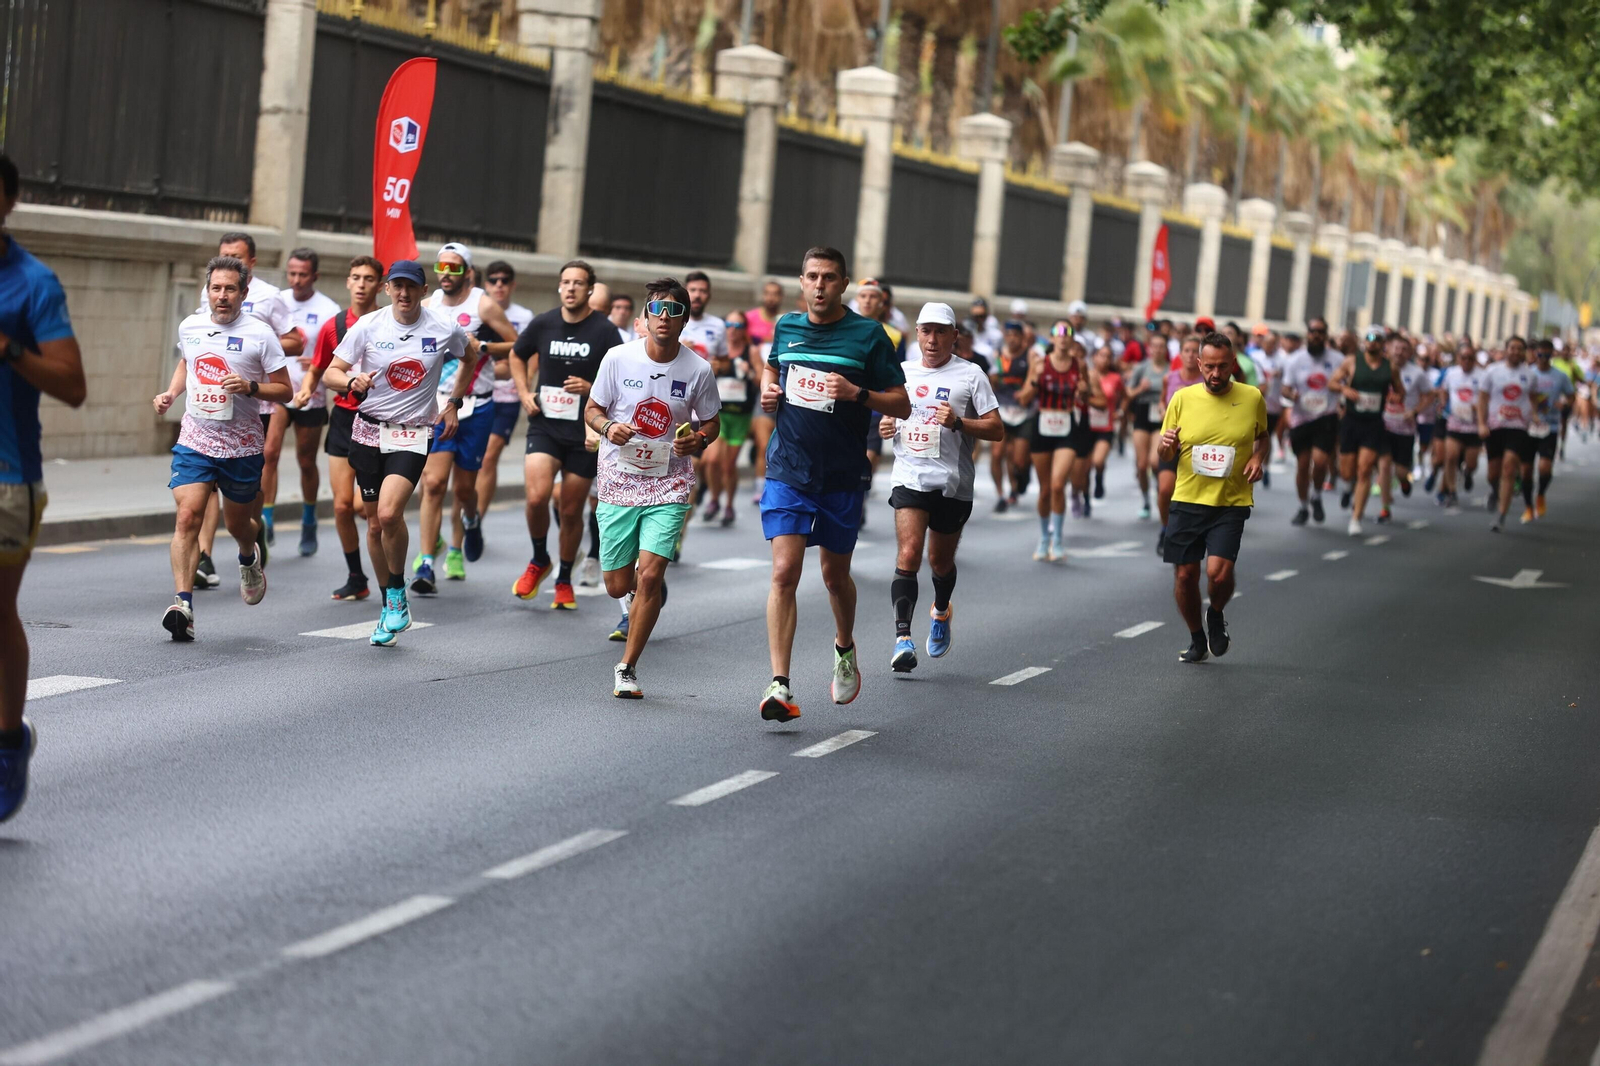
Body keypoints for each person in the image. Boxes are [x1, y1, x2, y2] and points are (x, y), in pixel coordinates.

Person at [756, 246, 909, 721]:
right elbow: (772, 365)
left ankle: (845, 646)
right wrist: (768, 388)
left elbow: (902, 405)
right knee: (784, 572)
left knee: (834, 576)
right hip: (788, 468)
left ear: (844, 285)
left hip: (841, 474)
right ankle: (780, 684)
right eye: (811, 277)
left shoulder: (870, 336)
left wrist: (857, 393)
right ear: (801, 282)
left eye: (829, 278)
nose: (819, 285)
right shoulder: (786, 327)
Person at [0, 151, 86, 822]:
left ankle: (7, 742)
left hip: (7, 478)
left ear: (9, 202)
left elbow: (73, 385)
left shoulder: (33, 283)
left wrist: (9, 351)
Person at [324, 260, 473, 645]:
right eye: (397, 286)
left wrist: (454, 401)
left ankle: (394, 592)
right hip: (368, 431)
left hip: (413, 434)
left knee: (390, 513)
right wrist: (351, 380)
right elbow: (330, 373)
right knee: (374, 524)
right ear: (387, 289)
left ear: (424, 291)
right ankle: (392, 601)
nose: (404, 293)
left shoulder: (443, 327)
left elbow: (470, 356)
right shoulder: (369, 325)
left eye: (412, 286)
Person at [585, 278, 721, 697]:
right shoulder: (617, 359)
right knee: (615, 584)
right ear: (644, 318)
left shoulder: (698, 369)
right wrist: (609, 427)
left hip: (669, 482)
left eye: (674, 312)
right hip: (618, 479)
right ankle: (641, 586)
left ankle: (627, 666)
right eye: (657, 311)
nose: (664, 318)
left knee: (649, 575)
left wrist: (697, 440)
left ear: (684, 321)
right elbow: (592, 409)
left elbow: (712, 422)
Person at [155, 256, 292, 640]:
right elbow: (188, 361)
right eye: (216, 288)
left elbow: (285, 390)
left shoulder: (261, 334)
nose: (222, 295)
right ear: (208, 291)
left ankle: (249, 555)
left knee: (237, 525)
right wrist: (171, 392)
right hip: (195, 439)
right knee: (188, 516)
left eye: (230, 288)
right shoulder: (191, 326)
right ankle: (183, 605)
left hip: (243, 446)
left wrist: (251, 387)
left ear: (244, 293)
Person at [880, 303, 1002, 673]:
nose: (932, 340)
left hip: (953, 483)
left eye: (940, 332)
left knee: (940, 561)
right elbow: (889, 415)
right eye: (926, 331)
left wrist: (960, 423)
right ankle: (903, 638)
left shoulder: (971, 375)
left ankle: (941, 609)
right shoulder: (900, 372)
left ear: (954, 337)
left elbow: (996, 429)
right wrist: (888, 425)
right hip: (910, 477)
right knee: (910, 552)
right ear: (916, 333)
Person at [193, 233, 304, 580]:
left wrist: (257, 343)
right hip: (215, 401)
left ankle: (253, 531)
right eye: (224, 254)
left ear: (251, 263)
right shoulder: (212, 290)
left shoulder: (270, 297)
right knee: (207, 483)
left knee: (249, 487)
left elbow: (296, 341)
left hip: (259, 399)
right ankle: (205, 556)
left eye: (237, 257)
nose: (230, 261)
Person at [510, 260, 620, 609]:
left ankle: (563, 578)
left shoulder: (604, 331)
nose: (570, 288)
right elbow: (516, 354)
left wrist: (591, 387)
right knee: (536, 497)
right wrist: (524, 392)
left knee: (571, 511)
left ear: (590, 290)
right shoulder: (543, 323)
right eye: (565, 282)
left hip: (585, 431)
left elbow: (619, 378)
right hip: (545, 424)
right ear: (559, 287)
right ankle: (540, 557)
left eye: (578, 283)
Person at [411, 243, 518, 592]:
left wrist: (482, 347)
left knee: (464, 488)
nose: (446, 273)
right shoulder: (428, 307)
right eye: (441, 266)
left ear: (467, 272)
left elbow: (518, 344)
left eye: (454, 268)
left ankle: (466, 528)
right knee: (433, 483)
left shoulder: (482, 304)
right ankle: (427, 561)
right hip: (440, 404)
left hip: (479, 403)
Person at [1157, 332, 1269, 664]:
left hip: (1230, 501)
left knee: (1218, 574)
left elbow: (1262, 437)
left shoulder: (1252, 397)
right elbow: (1164, 452)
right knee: (1185, 576)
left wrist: (1258, 457)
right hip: (1188, 498)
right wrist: (1166, 447)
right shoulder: (1182, 398)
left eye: (1223, 367)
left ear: (1233, 364)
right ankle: (1196, 637)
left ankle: (1216, 612)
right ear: (1198, 364)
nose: (1216, 374)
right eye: (1210, 367)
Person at [296, 255, 385, 601]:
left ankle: (385, 564)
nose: (361, 284)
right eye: (355, 278)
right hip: (344, 419)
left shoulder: (388, 324)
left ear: (380, 286)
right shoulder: (333, 325)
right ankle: (356, 576)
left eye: (368, 278)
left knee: (368, 509)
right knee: (341, 506)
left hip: (378, 420)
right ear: (347, 283)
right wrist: (306, 390)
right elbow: (318, 368)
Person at [277, 247, 340, 557]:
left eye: (303, 274)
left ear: (314, 275)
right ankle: (265, 520)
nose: (297, 280)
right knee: (268, 453)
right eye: (292, 273)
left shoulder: (329, 310)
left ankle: (309, 519)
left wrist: (318, 365)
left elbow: (342, 358)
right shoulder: (277, 302)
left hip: (310, 395)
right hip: (277, 389)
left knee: (305, 461)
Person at [1019, 322, 1089, 560]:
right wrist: (1036, 379)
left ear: (1072, 339)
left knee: (1059, 485)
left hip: (1067, 426)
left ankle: (1057, 539)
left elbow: (1086, 393)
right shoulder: (1040, 364)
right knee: (1045, 490)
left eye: (1067, 333)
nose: (1063, 338)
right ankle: (1043, 538)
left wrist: (1083, 390)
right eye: (1058, 333)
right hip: (1043, 425)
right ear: (1051, 338)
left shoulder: (1079, 365)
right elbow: (1024, 398)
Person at [477, 261, 535, 526]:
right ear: (485, 284)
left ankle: (476, 520)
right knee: (465, 464)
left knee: (489, 457)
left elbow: (532, 354)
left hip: (507, 397)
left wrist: (524, 384)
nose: (498, 285)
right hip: (475, 394)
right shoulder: (475, 311)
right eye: (493, 280)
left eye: (504, 280)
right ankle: (464, 514)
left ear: (513, 284)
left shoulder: (524, 317)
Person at [1329, 326, 1401, 536]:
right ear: (1364, 341)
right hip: (1351, 421)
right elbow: (1331, 382)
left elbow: (1399, 391)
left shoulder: (1391, 367)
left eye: (1377, 339)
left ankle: (1356, 517)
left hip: (1374, 423)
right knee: (1347, 472)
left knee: (1365, 469)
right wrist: (1344, 389)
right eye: (1369, 338)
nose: (1373, 342)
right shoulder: (1352, 361)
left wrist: (1397, 397)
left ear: (1383, 343)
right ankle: (1348, 487)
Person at [1279, 317, 1340, 526]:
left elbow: (1346, 382)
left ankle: (1317, 495)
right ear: (1308, 334)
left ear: (1326, 335)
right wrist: (1292, 395)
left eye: (1321, 331)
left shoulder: (1337, 359)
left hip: (1326, 416)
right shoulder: (1295, 360)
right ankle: (1304, 506)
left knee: (1321, 461)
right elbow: (1285, 388)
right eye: (1313, 331)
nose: (1316, 335)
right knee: (1303, 465)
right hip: (1301, 417)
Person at [1479, 336, 1540, 533]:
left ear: (1524, 352)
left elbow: (1533, 399)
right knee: (1493, 473)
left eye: (1519, 349)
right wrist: (1481, 423)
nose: (1515, 352)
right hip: (1495, 426)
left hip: (1518, 426)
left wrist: (1535, 415)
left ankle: (1501, 515)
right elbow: (1482, 399)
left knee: (1509, 467)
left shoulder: (1529, 375)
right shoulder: (1492, 371)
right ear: (1506, 350)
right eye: (1512, 348)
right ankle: (1494, 490)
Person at [704, 310, 755, 526]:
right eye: (729, 325)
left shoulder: (749, 351)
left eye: (738, 326)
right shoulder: (718, 351)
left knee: (729, 465)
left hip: (740, 416)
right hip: (720, 414)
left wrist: (749, 372)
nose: (733, 330)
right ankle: (714, 499)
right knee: (713, 459)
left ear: (744, 330)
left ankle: (728, 505)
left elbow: (761, 377)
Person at [1154, 335, 1204, 554]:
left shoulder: (1205, 382)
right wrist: (1162, 410)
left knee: (1196, 496)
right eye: (1187, 350)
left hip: (1197, 447)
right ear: (1180, 354)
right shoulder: (1170, 378)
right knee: (1165, 489)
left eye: (1195, 351)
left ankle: (1193, 533)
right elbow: (1163, 401)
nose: (1191, 355)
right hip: (1173, 443)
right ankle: (1165, 528)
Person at [1376, 335, 1433, 524]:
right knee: (1384, 466)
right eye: (1396, 348)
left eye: (1403, 349)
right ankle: (1385, 508)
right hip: (1382, 425)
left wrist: (1415, 411)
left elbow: (1429, 396)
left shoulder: (1417, 373)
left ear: (1409, 353)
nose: (1399, 352)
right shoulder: (1379, 368)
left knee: (1400, 471)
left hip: (1405, 429)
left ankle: (1404, 481)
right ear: (1389, 348)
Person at [1527, 340, 1575, 519]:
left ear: (1552, 355)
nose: (1543, 359)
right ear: (1535, 354)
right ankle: (1527, 503)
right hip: (1529, 426)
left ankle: (1540, 494)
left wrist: (1564, 404)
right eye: (1540, 355)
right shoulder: (1528, 374)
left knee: (1545, 468)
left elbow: (1571, 396)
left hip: (1550, 426)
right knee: (1526, 469)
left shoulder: (1560, 376)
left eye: (1547, 356)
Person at [991, 321, 1035, 511]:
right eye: (1008, 334)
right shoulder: (998, 356)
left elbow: (1034, 378)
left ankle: (1021, 477)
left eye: (1015, 335)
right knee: (997, 454)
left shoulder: (1030, 355)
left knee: (1017, 459)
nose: (1011, 338)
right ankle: (1001, 494)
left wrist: (1026, 393)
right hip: (1001, 410)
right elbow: (991, 381)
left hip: (1023, 412)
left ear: (1022, 337)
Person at [1437, 342, 1484, 509]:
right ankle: (1451, 492)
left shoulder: (1482, 375)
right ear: (1458, 358)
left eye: (1470, 358)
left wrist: (1477, 408)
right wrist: (1443, 403)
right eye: (1463, 358)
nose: (1467, 361)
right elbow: (1443, 389)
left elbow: (1487, 398)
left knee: (1471, 464)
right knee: (1450, 457)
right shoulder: (1451, 373)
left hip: (1473, 426)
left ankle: (1468, 473)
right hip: (1455, 422)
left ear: (1475, 359)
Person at [1124, 334, 1164, 519]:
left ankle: (1160, 487)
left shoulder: (1171, 371)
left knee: (1155, 462)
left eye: (1161, 346)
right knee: (1141, 465)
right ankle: (1146, 500)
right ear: (1149, 348)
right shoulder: (1141, 368)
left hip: (1161, 418)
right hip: (1142, 415)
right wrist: (1141, 389)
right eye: (1154, 345)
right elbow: (1129, 393)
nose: (1157, 349)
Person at [1086, 346, 1123, 500]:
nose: (1105, 359)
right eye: (1101, 355)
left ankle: (1099, 477)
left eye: (1108, 356)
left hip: (1105, 427)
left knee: (1098, 461)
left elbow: (1125, 397)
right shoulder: (1086, 376)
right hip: (1086, 426)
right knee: (1084, 467)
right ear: (1094, 357)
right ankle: (1085, 497)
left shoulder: (1115, 378)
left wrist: (1120, 411)